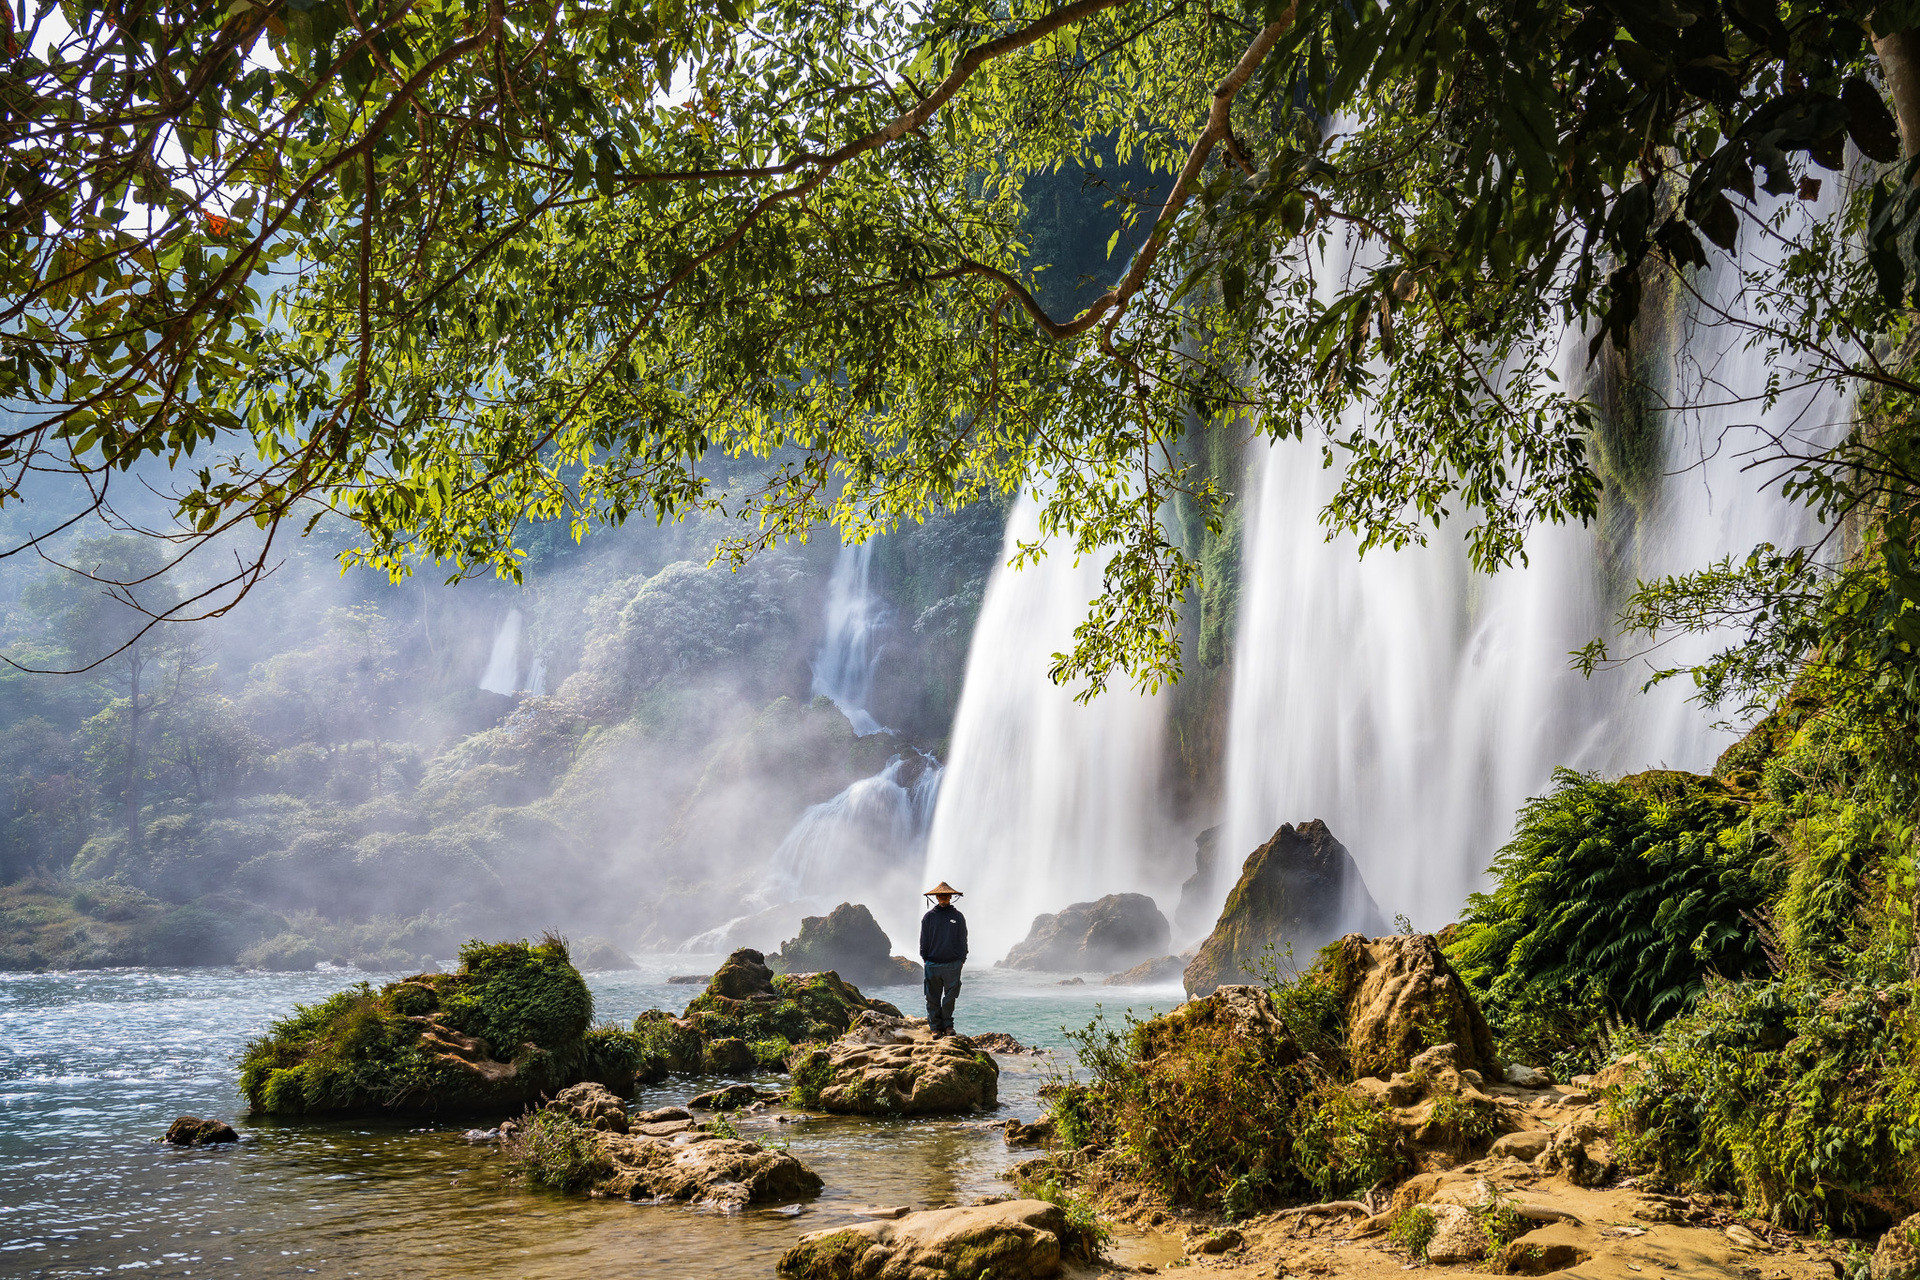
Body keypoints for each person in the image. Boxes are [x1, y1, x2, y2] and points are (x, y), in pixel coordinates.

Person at [919, 881, 968, 1036]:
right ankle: (935, 1028)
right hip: (932, 963)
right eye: (941, 895)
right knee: (931, 997)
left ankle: (948, 1025)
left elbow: (963, 939)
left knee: (950, 997)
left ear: (951, 897)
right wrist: (925, 958)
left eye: (946, 895)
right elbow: (923, 940)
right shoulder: (928, 917)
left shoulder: (958, 917)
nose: (943, 898)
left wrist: (962, 959)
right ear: (937, 897)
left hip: (953, 964)